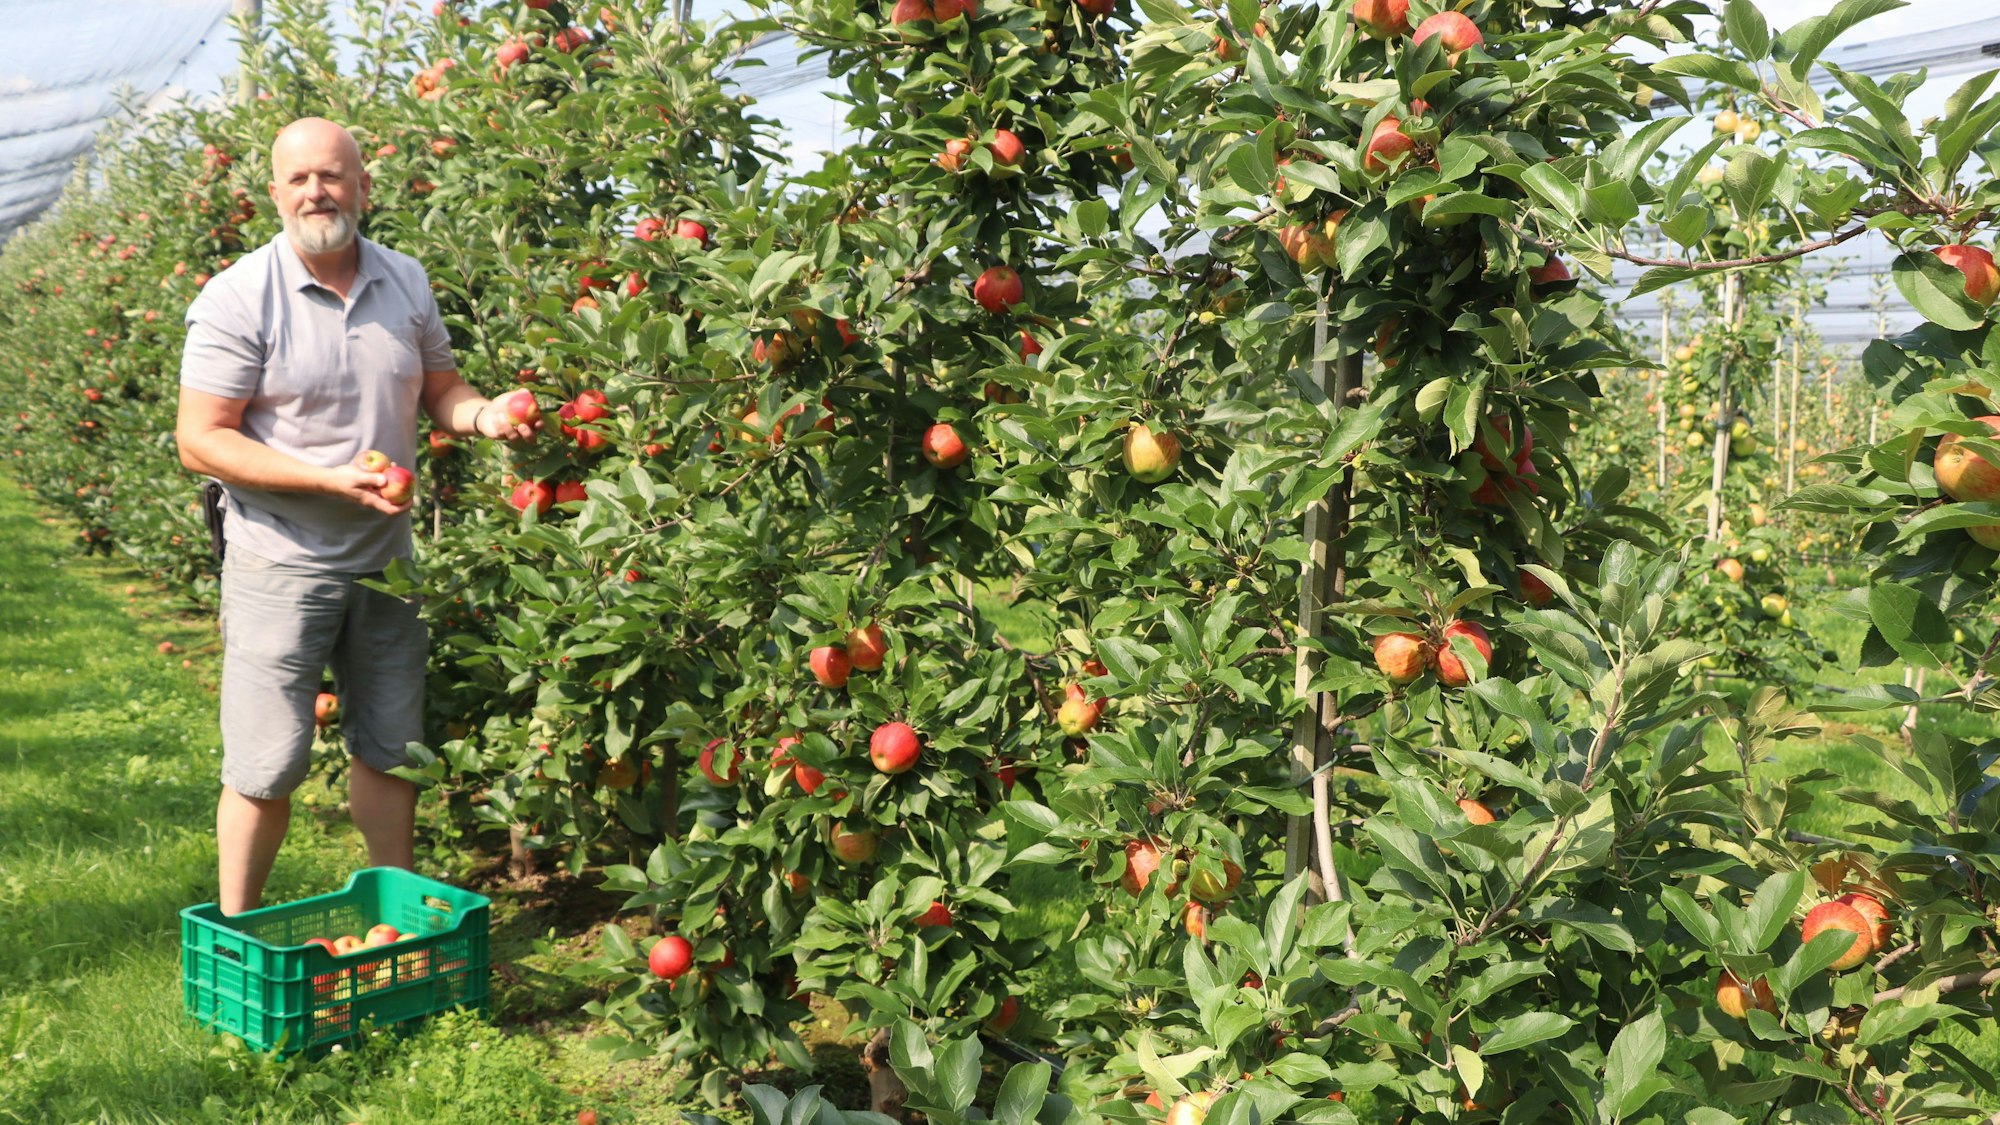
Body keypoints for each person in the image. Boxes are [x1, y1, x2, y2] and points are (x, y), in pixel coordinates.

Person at [175, 118, 537, 914]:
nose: (317, 192)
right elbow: (199, 440)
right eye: (299, 178)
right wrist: (326, 480)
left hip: (386, 556)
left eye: (333, 176)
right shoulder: (239, 296)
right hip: (280, 557)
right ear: (273, 193)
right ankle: (237, 928)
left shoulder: (405, 280)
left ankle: (394, 918)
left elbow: (441, 390)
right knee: (267, 763)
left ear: (364, 188)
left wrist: (488, 416)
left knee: (392, 748)